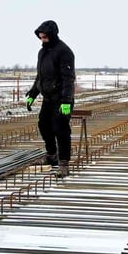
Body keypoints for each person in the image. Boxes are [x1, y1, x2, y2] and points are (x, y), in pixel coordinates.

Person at [25, 20, 76, 177]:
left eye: (45, 37)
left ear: (53, 35)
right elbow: (40, 77)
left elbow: (68, 78)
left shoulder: (64, 51)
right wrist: (33, 94)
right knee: (44, 126)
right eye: (40, 37)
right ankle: (51, 155)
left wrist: (67, 101)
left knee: (60, 130)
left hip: (61, 99)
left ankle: (63, 164)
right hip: (48, 99)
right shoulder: (42, 52)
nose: (42, 40)